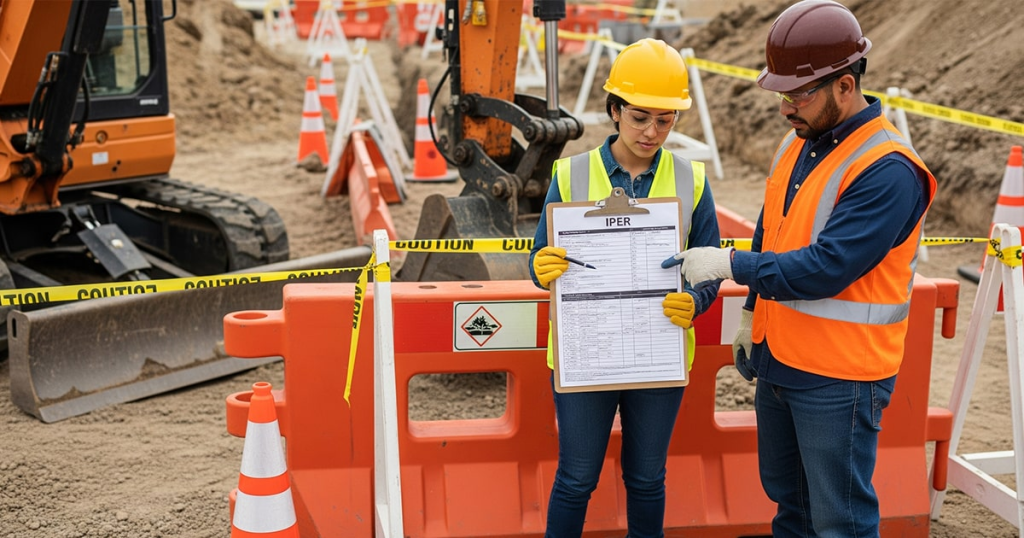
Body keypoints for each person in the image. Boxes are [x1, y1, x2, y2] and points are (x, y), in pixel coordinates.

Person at [663, 1, 937, 536]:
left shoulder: (888, 170)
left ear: (845, 84)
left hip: (840, 376)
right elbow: (776, 231)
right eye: (782, 94)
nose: (787, 106)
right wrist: (750, 316)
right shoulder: (799, 143)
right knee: (791, 507)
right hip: (781, 359)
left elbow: (827, 267)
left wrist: (729, 264)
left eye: (800, 93)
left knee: (840, 520)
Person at [528, 38, 721, 538]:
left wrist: (695, 301)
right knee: (575, 478)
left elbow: (709, 266)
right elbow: (537, 259)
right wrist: (542, 266)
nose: (652, 132)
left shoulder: (692, 180)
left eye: (665, 120)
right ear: (614, 110)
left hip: (659, 352)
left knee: (647, 478)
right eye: (639, 117)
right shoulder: (569, 175)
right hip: (585, 354)